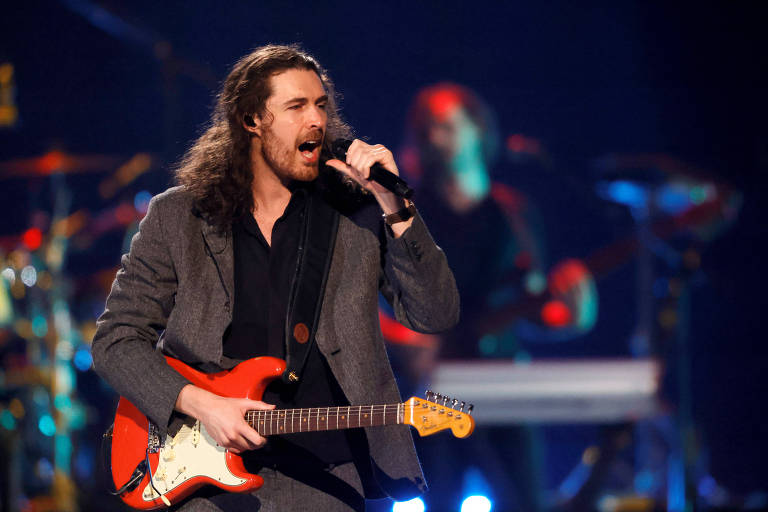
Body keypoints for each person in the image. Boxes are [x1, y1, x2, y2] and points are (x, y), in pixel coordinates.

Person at [91, 45, 459, 512]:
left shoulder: (357, 215)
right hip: (203, 477)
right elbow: (115, 340)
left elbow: (436, 312)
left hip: (325, 477)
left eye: (321, 105)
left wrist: (395, 205)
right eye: (296, 106)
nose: (316, 120)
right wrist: (202, 404)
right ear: (251, 121)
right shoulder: (178, 216)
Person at [383, 83, 597, 511]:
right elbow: (364, 307)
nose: (434, 138)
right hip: (430, 391)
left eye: (445, 126)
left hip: (502, 385)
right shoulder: (400, 213)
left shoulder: (513, 214)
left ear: (478, 131)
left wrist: (575, 315)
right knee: (435, 498)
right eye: (425, 130)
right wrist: (410, 344)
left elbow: (533, 307)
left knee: (524, 500)